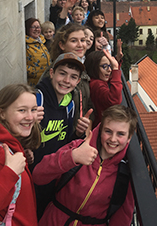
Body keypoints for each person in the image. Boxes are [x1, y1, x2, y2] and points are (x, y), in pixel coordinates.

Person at [33, 105, 137, 226]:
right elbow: (38, 175)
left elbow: (123, 216)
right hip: (54, 220)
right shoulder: (78, 147)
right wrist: (72, 157)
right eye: (108, 131)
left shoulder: (125, 173)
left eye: (121, 134)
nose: (113, 139)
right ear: (100, 130)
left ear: (129, 137)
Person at [33, 52, 92, 219]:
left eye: (73, 77)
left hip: (53, 175)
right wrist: (29, 121)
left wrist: (78, 133)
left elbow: (64, 142)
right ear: (52, 73)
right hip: (31, 176)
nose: (67, 81)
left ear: (78, 82)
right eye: (62, 73)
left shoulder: (70, 105)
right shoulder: (36, 98)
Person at [0, 84, 41, 226]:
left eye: (33, 110)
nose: (30, 117)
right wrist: (9, 173)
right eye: (22, 110)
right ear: (2, 113)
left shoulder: (6, 142)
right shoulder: (0, 154)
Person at [44, 24, 95, 135]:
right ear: (62, 45)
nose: (80, 45)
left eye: (83, 40)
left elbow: (87, 105)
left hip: (78, 136)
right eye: (73, 41)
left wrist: (85, 131)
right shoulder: (53, 75)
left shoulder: (82, 70)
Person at [84, 49, 122, 127]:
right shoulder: (97, 85)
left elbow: (110, 77)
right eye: (105, 66)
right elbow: (114, 100)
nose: (109, 70)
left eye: (110, 66)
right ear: (94, 67)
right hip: (100, 127)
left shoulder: (94, 80)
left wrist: (117, 63)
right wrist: (115, 69)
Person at [25, 18, 50, 87]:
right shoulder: (25, 44)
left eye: (38, 27)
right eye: (33, 27)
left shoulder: (42, 41)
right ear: (27, 29)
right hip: (34, 83)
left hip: (45, 80)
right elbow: (22, 64)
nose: (36, 29)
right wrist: (34, 72)